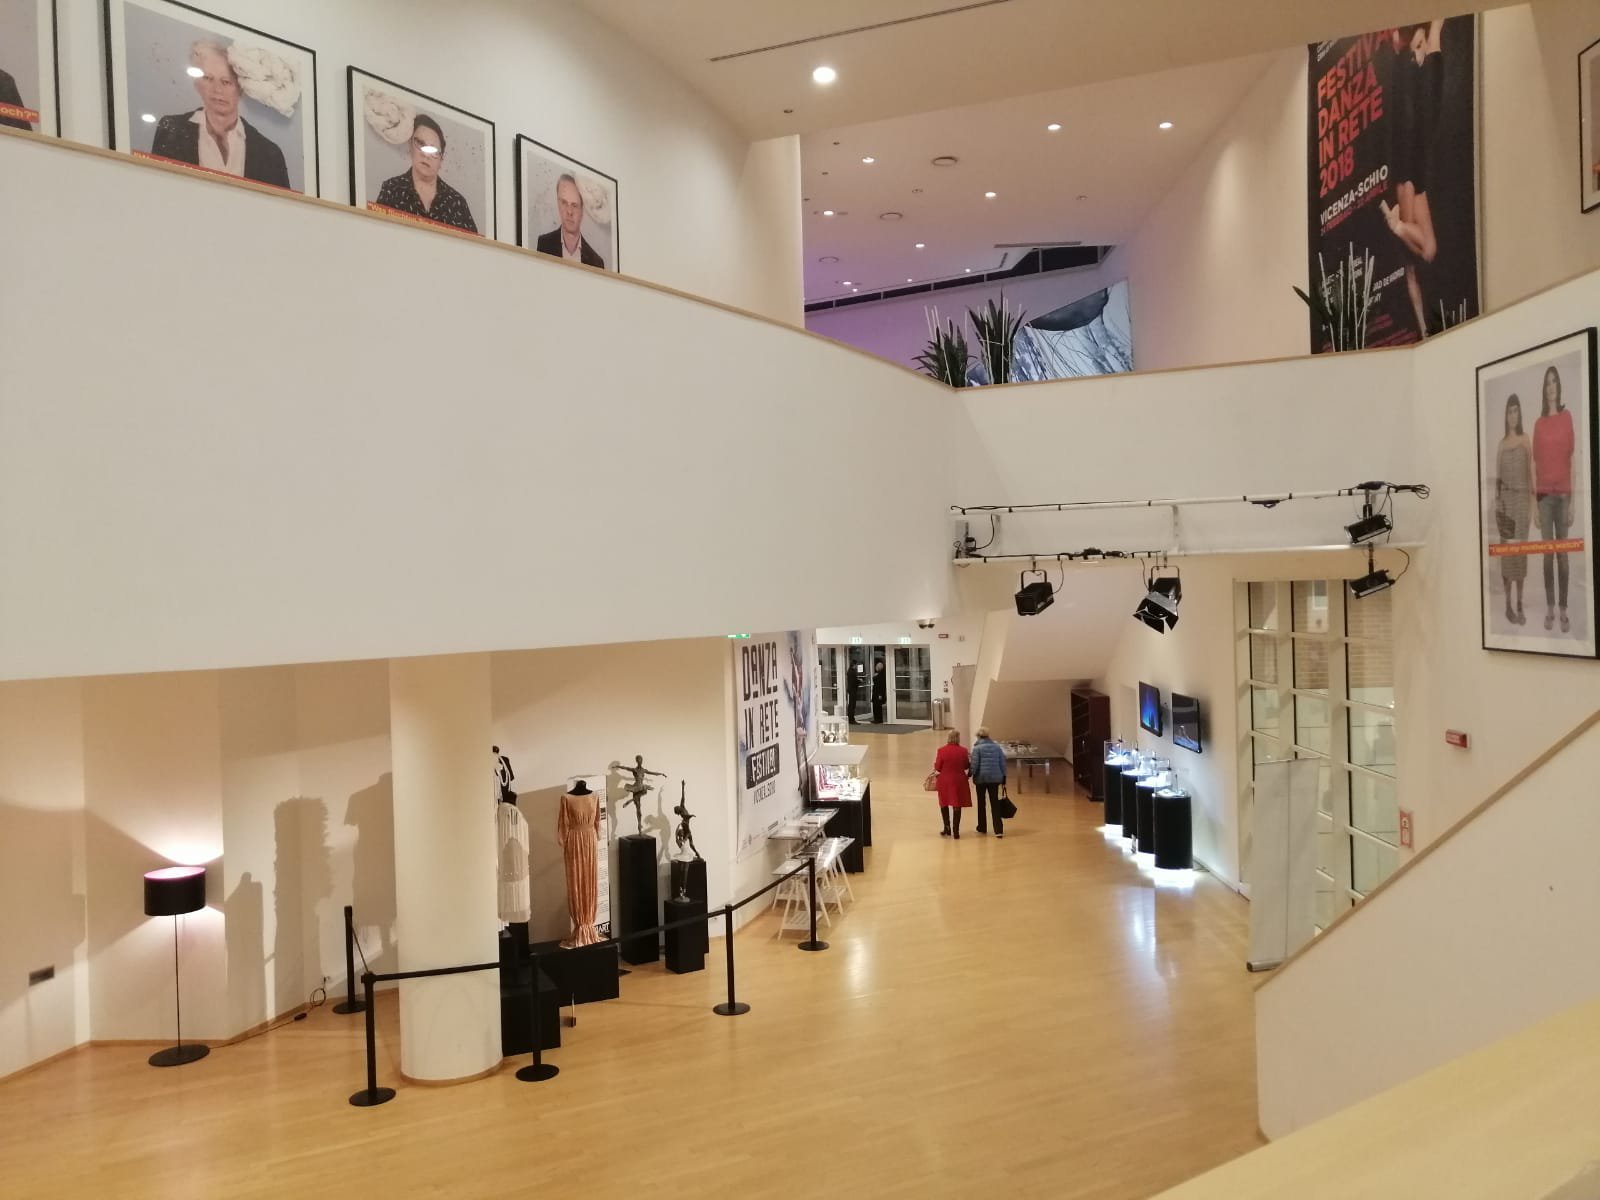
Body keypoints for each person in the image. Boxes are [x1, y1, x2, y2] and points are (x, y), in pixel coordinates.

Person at [1379, 20, 1445, 340]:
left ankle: (1398, 226)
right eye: (1414, 48)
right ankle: (1398, 226)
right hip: (1413, 171)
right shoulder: (1407, 70)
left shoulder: (1405, 70)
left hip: (1410, 171)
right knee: (1422, 255)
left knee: (1421, 255)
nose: (1418, 55)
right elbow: (1425, 255)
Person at [149, 41, 290, 188]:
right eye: (208, 79)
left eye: (226, 82)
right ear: (198, 84)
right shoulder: (171, 129)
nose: (217, 90)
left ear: (241, 88)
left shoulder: (269, 153)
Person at [375, 114, 478, 233]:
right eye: (420, 144)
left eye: (433, 150)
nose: (426, 155)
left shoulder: (457, 202)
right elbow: (377, 236)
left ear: (441, 160)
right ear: (410, 147)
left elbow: (474, 248)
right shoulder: (391, 189)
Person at [1532, 365, 1575, 634]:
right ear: (1544, 388)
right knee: (1548, 556)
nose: (1551, 387)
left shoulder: (1567, 417)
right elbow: (1536, 465)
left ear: (1558, 387)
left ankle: (1563, 610)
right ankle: (1549, 608)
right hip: (1545, 499)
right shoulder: (1538, 424)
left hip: (1564, 497)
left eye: (1554, 382)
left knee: (1563, 557)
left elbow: (1572, 460)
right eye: (1547, 383)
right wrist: (1535, 504)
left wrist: (1573, 501)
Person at [1494, 394, 1533, 627]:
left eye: (1516, 411)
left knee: (1520, 555)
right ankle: (1507, 605)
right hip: (1506, 505)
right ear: (1505, 415)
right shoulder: (1501, 444)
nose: (1512, 415)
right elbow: (1497, 481)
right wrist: (1498, 505)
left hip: (1521, 503)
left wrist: (1531, 506)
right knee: (1507, 556)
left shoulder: (1526, 439)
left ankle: (1520, 602)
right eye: (1509, 411)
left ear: (1520, 414)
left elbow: (1530, 475)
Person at [535, 174, 606, 267]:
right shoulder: (543, 244)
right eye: (564, 203)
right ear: (558, 203)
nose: (569, 211)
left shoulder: (596, 262)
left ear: (582, 210)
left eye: (574, 205)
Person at [969, 727, 1009, 837]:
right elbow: (1003, 763)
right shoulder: (997, 747)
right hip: (995, 779)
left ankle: (982, 827)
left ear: (978, 736)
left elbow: (974, 765)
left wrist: (970, 773)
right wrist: (1004, 776)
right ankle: (998, 830)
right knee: (994, 803)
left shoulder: (977, 749)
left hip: (981, 779)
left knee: (981, 803)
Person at [933, 730, 972, 838]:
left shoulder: (941, 750)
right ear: (958, 738)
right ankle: (956, 831)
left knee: (944, 803)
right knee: (957, 804)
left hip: (944, 781)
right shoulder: (963, 751)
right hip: (959, 781)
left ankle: (947, 828)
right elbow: (966, 766)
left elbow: (938, 767)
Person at [870, 660, 887, 725]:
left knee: (878, 706)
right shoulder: (878, 674)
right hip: (876, 692)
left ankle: (878, 719)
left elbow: (881, 685)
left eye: (877, 666)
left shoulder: (881, 675)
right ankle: (876, 719)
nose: (875, 667)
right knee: (875, 706)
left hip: (878, 693)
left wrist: (880, 694)